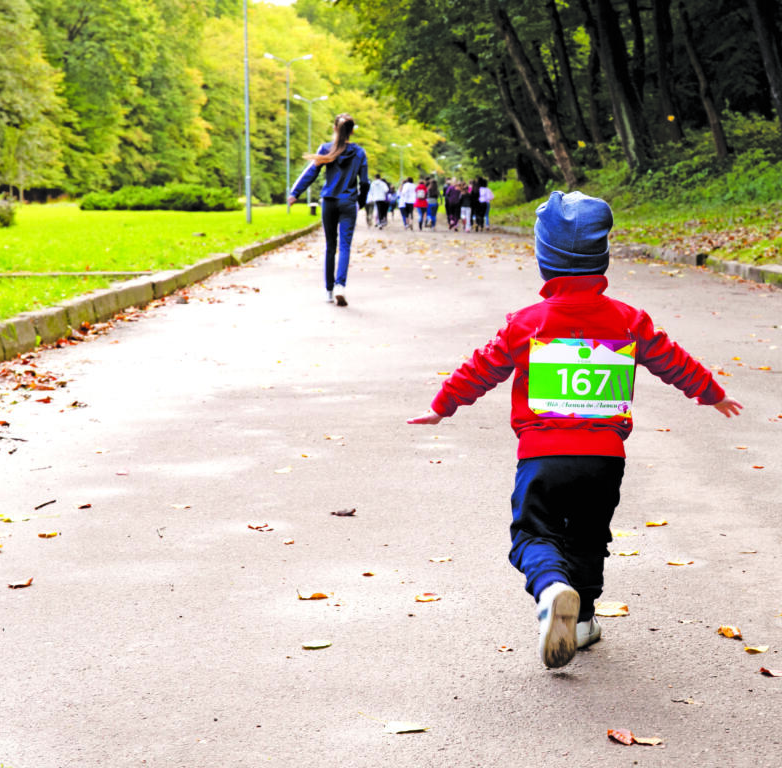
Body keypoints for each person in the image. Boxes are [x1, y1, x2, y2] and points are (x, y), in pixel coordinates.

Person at [407, 191, 744, 668]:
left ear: (545, 262)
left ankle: (550, 589)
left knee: (533, 534)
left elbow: (481, 368)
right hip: (605, 459)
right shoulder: (627, 320)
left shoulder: (527, 323)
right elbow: (673, 360)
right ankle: (582, 622)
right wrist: (712, 393)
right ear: (602, 259)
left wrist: (442, 406)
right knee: (589, 538)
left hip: (542, 455)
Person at [289, 113, 369, 307]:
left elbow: (311, 172)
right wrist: (361, 202)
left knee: (330, 246)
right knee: (345, 246)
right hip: (348, 202)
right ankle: (340, 285)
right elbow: (365, 183)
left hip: (329, 202)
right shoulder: (359, 152)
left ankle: (329, 291)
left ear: (335, 128)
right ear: (352, 131)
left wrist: (295, 193)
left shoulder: (326, 149)